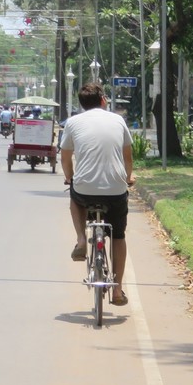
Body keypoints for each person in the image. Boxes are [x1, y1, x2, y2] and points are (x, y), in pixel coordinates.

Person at [58, 82, 135, 307]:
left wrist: (70, 177)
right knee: (119, 236)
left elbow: (65, 157)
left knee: (75, 196)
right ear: (103, 100)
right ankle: (118, 290)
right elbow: (127, 156)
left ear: (82, 103)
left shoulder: (72, 122)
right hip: (116, 189)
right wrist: (128, 177)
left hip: (85, 189)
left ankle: (81, 239)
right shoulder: (118, 120)